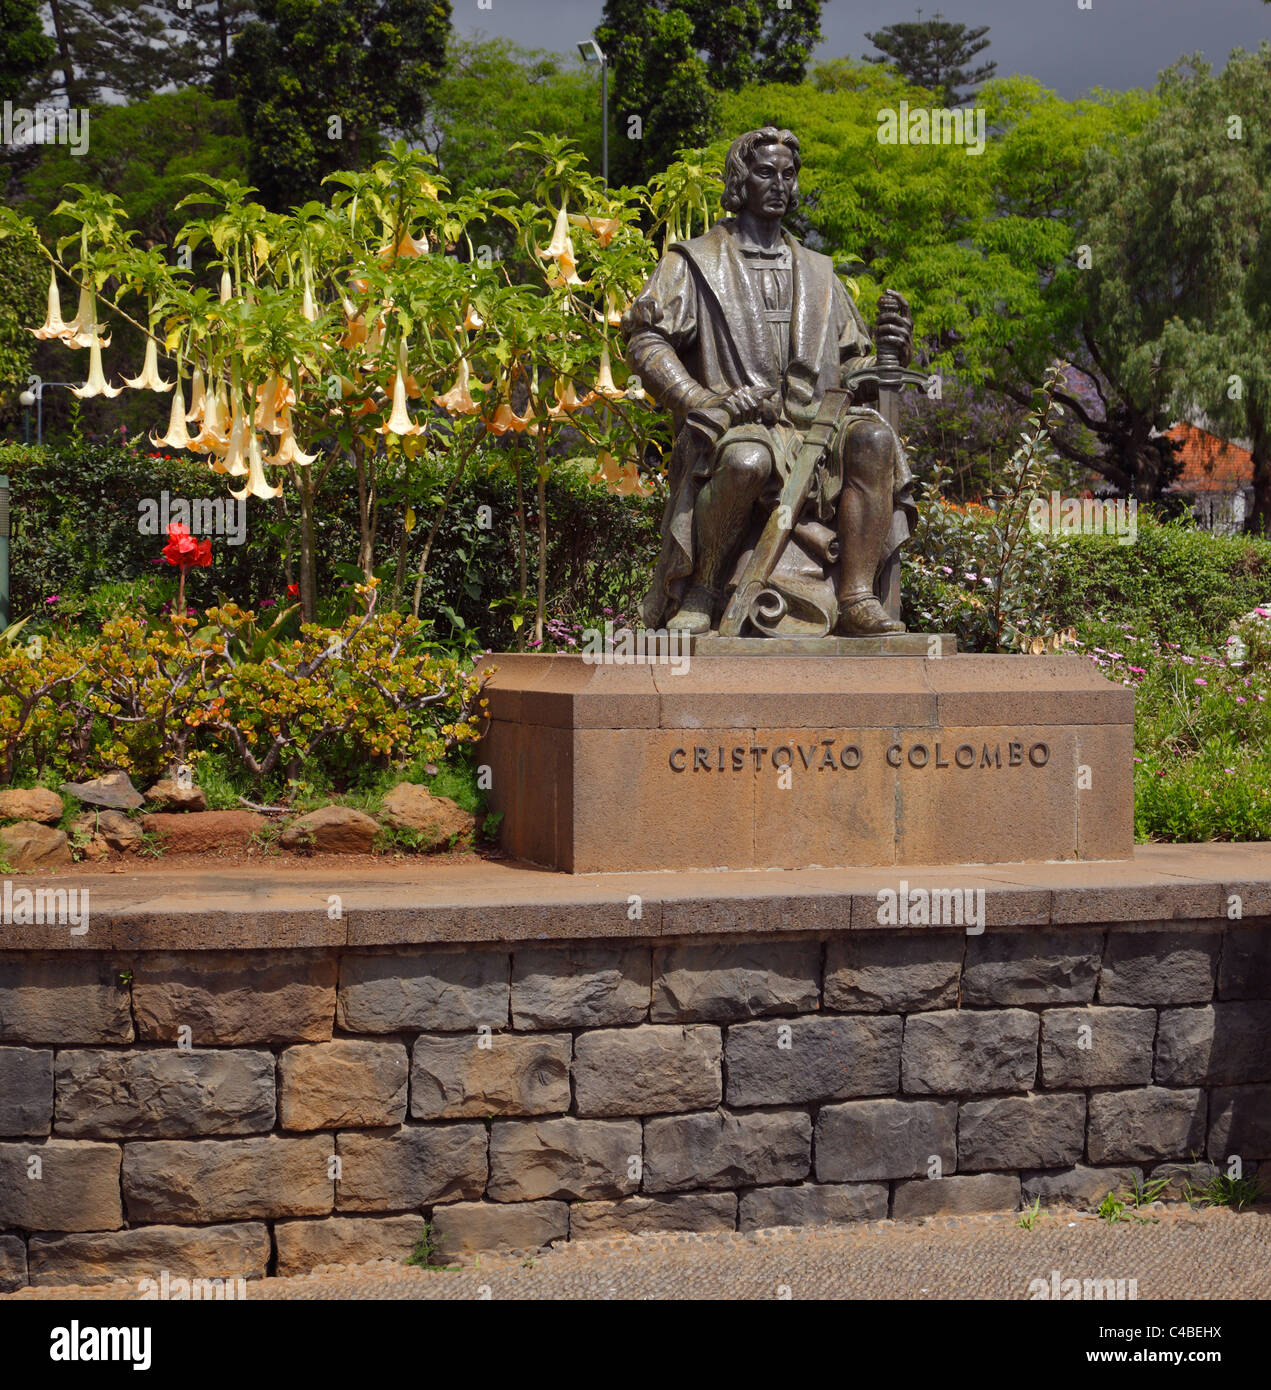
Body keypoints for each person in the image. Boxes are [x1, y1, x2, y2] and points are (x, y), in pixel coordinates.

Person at [623, 125, 917, 636]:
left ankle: (857, 598)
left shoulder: (820, 273)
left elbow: (852, 369)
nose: (780, 183)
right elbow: (645, 339)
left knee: (872, 437)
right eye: (765, 172)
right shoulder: (694, 262)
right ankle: (703, 590)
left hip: (816, 427)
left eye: (788, 174)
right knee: (748, 459)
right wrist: (702, 398)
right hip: (739, 426)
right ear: (740, 181)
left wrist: (889, 353)